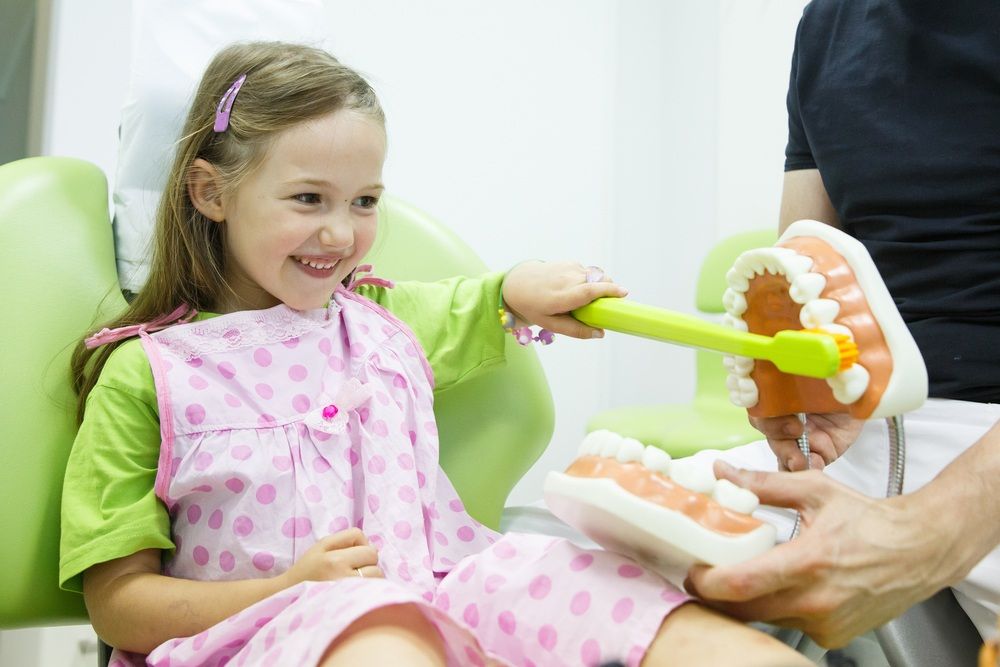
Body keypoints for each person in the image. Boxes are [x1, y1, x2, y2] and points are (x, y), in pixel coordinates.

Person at [60, 42, 810, 667]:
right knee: (382, 638)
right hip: (262, 632)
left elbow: (477, 305)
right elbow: (119, 605)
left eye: (364, 201)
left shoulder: (380, 322)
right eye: (308, 199)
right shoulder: (148, 374)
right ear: (210, 192)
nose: (341, 234)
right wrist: (290, 585)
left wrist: (521, 286)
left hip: (441, 590)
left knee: (589, 584)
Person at [685, 0, 1000, 649]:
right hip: (870, 431)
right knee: (598, 567)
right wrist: (795, 386)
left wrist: (931, 532)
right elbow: (806, 270)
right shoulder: (828, 24)